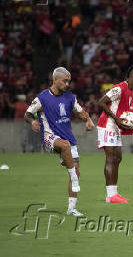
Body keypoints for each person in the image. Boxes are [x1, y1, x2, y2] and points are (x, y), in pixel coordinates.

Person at [24, 67, 95, 216]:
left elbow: (80, 112)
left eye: (68, 81)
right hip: (50, 138)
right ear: (55, 79)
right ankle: (74, 177)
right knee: (65, 146)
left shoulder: (70, 97)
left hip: (68, 137)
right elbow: (28, 114)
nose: (67, 84)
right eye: (65, 81)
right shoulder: (42, 98)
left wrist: (88, 120)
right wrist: (32, 122)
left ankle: (72, 209)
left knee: (75, 169)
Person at [97, 65, 133, 203]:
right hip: (107, 125)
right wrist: (116, 119)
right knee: (111, 158)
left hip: (115, 127)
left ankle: (114, 193)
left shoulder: (131, 91)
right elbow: (101, 102)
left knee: (117, 158)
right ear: (131, 76)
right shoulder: (119, 88)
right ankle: (110, 195)